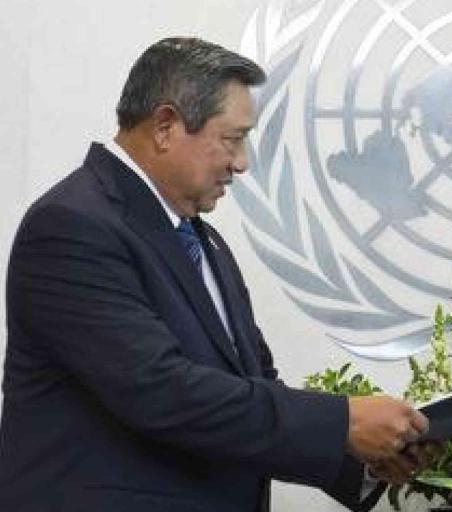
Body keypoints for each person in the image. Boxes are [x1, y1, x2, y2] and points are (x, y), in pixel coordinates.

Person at [0, 37, 429, 512]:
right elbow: (160, 391)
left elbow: (253, 387)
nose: (241, 163)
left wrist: (361, 458)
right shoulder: (72, 226)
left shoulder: (203, 241)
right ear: (165, 126)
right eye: (231, 139)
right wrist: (342, 423)